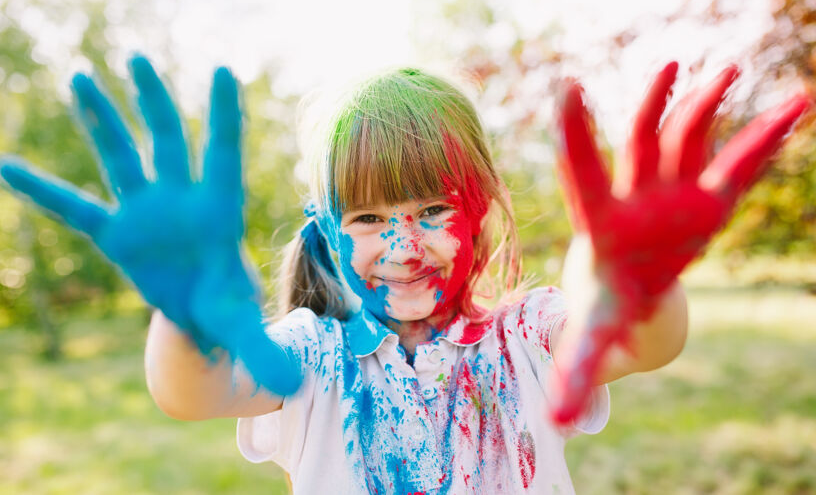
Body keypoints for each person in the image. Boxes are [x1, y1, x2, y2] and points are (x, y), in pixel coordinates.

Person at [0, 55, 808, 494]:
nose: (403, 243)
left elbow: (644, 343)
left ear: (483, 210)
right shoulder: (312, 355)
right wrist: (182, 315)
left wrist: (632, 281)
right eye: (369, 219)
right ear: (325, 228)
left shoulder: (522, 337)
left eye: (433, 211)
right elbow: (192, 393)